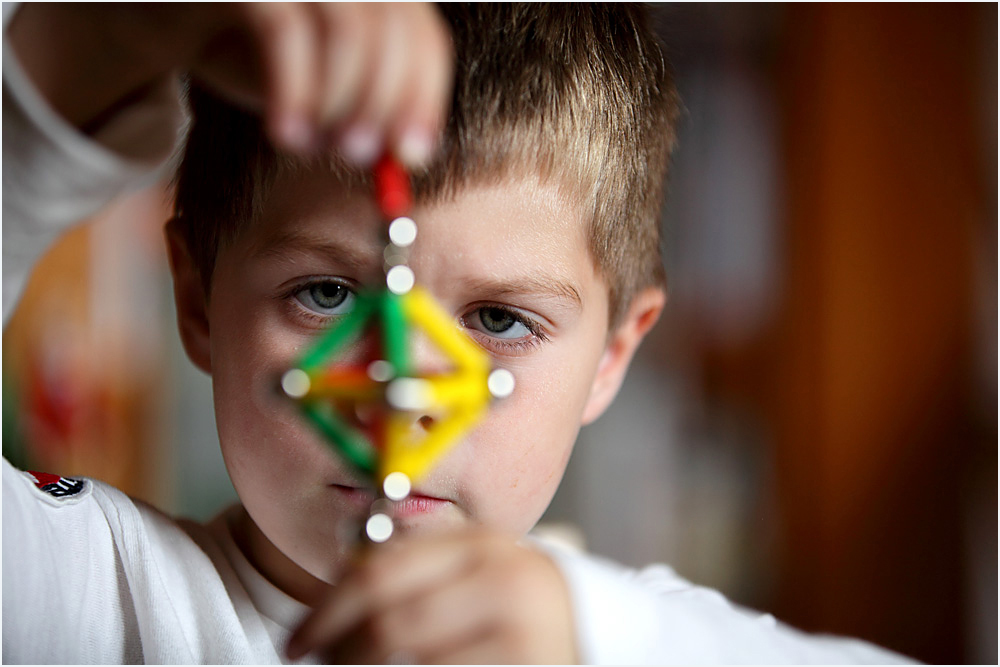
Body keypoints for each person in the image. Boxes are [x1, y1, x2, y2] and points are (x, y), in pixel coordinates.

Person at [2, 3, 910, 664]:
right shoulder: (102, 599)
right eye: (326, 294)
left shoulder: (615, 638)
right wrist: (90, 45)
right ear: (198, 302)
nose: (402, 394)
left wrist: (595, 634)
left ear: (613, 354)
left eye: (499, 319)